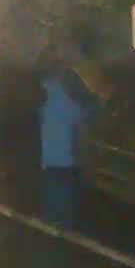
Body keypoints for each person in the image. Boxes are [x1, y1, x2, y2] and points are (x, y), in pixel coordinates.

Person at [39, 29, 105, 228]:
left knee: (53, 210)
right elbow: (85, 119)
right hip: (67, 163)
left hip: (48, 162)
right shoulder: (71, 101)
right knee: (68, 213)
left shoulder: (45, 93)